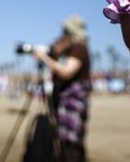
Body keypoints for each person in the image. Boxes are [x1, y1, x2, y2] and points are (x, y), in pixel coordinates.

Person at [34, 15, 92, 162]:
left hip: (73, 99)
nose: (62, 33)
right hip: (66, 98)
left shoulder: (79, 47)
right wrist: (53, 51)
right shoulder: (70, 48)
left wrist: (44, 58)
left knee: (70, 141)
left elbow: (67, 72)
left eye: (65, 30)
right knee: (63, 139)